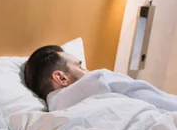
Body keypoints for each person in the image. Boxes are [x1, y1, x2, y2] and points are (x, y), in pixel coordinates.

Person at [24, 45, 177, 112]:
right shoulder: (98, 80)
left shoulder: (53, 115)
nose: (87, 71)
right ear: (61, 78)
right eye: (80, 66)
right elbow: (163, 102)